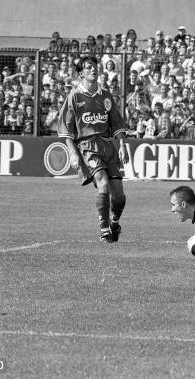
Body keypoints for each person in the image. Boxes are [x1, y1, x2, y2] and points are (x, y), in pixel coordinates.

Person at [57, 56, 130, 242]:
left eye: (94, 67)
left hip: (108, 145)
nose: (93, 70)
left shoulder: (105, 95)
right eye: (88, 68)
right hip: (87, 145)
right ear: (81, 73)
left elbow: (117, 122)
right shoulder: (74, 96)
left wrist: (122, 145)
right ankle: (104, 229)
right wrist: (73, 153)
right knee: (102, 182)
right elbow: (66, 130)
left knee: (119, 196)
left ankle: (114, 222)